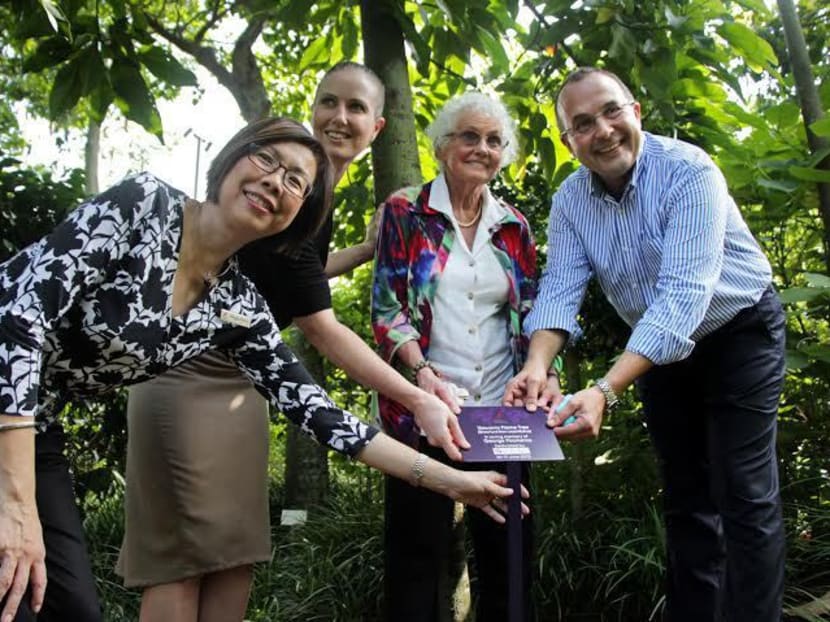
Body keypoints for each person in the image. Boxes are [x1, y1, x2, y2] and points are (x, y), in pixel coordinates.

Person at [0, 117, 524, 622]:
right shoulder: (145, 204)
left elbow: (323, 415)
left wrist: (453, 482)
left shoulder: (238, 305)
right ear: (230, 161)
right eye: (266, 158)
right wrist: (17, 504)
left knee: (63, 607)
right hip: (12, 413)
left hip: (35, 427)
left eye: (295, 181)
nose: (275, 181)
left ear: (299, 213)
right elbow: (18, 316)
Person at [117, 62, 471, 622]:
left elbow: (288, 279)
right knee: (182, 561)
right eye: (329, 101)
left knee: (236, 555)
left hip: (248, 381)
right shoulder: (279, 179)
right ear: (312, 106)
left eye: (357, 108)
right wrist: (416, 395)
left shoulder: (312, 193)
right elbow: (318, 323)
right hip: (188, 372)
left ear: (377, 127)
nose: (340, 117)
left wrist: (361, 251)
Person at [503, 67, 786, 622]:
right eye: (583, 124)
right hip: (655, 350)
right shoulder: (570, 200)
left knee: (743, 494)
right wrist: (538, 363)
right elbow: (560, 288)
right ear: (569, 141)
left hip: (738, 332)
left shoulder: (689, 170)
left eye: (611, 111)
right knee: (686, 499)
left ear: (635, 111)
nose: (603, 131)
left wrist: (605, 389)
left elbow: (683, 297)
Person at [372, 92, 537, 622]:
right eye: (469, 136)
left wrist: (544, 374)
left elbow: (532, 313)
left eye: (493, 140)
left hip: (502, 412)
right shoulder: (406, 213)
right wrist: (422, 374)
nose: (482, 148)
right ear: (444, 146)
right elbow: (386, 309)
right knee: (416, 558)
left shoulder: (514, 226)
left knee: (509, 558)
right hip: (423, 412)